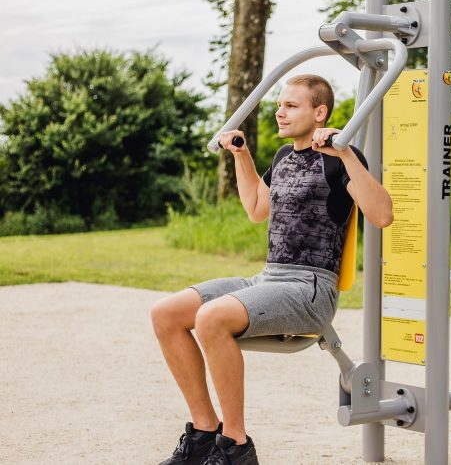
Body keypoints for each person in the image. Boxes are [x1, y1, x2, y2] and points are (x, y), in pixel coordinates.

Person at [150, 74, 393, 465]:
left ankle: (235, 446)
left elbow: (382, 215)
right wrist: (241, 156)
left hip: (310, 287)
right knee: (165, 314)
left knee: (211, 318)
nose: (280, 112)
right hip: (269, 278)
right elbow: (256, 209)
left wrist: (345, 152)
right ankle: (203, 433)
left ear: (320, 112)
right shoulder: (283, 158)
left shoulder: (341, 160)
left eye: (291, 106)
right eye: (280, 105)